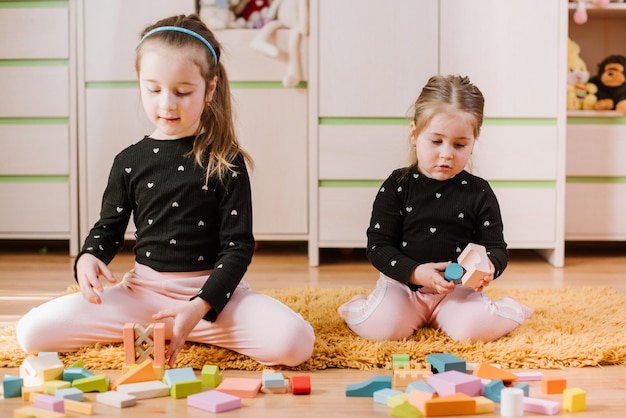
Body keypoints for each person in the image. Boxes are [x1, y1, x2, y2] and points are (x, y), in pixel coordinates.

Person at [16, 14, 314, 368]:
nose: (167, 104)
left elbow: (238, 247)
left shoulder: (226, 160)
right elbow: (108, 229)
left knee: (295, 343)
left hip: (213, 296)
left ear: (210, 88)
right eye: (153, 89)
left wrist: (201, 304)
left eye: (183, 92)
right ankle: (166, 326)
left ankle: (186, 324)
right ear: (140, 83)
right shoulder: (129, 161)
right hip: (142, 294)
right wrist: (88, 257)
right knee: (31, 332)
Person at [337, 75, 532, 343]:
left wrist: (490, 266)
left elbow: (496, 248)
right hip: (403, 286)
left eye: (460, 144)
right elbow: (378, 247)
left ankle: (509, 308)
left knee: (473, 333)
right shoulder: (397, 185)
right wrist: (417, 273)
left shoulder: (479, 191)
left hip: (458, 289)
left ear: (474, 141)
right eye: (436, 141)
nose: (447, 154)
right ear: (415, 134)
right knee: (382, 329)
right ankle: (357, 306)